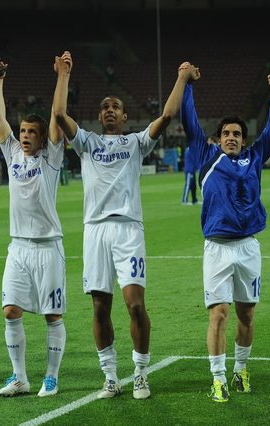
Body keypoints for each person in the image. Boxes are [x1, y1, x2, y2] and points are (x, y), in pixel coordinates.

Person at [53, 51, 191, 400]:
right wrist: (64, 75)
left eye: (115, 107)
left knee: (135, 305)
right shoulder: (87, 142)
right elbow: (59, 115)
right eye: (104, 108)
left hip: (128, 230)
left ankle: (141, 373)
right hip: (95, 231)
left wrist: (181, 77)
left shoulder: (136, 142)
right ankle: (110, 376)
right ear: (100, 116)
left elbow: (168, 114)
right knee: (100, 307)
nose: (110, 111)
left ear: (125, 116)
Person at [181, 65, 270, 403]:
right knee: (219, 313)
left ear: (244, 139)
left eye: (237, 134)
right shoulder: (206, 157)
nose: (231, 137)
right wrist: (186, 84)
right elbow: (188, 119)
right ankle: (217, 378)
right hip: (217, 248)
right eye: (226, 133)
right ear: (218, 139)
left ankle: (240, 370)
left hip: (248, 248)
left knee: (247, 315)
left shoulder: (255, 157)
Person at [0, 58, 66, 398]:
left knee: (52, 315)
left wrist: (62, 76)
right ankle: (20, 378)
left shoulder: (51, 157)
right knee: (10, 310)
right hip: (18, 247)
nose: (25, 136)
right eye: (22, 131)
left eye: (32, 132)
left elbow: (57, 118)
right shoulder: (12, 154)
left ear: (42, 138)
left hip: (48, 246)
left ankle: (51, 377)